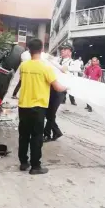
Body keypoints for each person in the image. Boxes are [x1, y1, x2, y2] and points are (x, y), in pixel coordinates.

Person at [17, 39, 66, 175]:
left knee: (24, 135)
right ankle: (35, 166)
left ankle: (23, 162)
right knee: (37, 137)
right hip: (38, 107)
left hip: (23, 105)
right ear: (42, 49)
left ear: (28, 49)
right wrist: (68, 86)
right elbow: (57, 87)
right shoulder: (46, 68)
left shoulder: (24, 66)